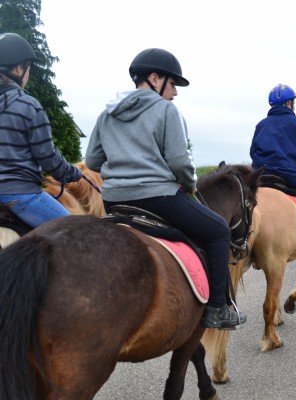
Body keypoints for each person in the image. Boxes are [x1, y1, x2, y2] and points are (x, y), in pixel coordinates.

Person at [85, 48, 245, 330]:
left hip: (114, 201)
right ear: (154, 78)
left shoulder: (106, 114)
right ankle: (217, 308)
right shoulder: (165, 110)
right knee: (219, 230)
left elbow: (93, 161)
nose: (175, 92)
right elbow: (180, 162)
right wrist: (191, 183)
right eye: (172, 84)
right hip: (159, 198)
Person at [0, 33, 82, 228]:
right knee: (77, 232)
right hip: (20, 196)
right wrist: (72, 173)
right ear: (19, 68)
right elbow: (47, 157)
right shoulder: (28, 105)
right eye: (29, 68)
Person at [250, 84, 296, 255]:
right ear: (288, 104)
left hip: (261, 175)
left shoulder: (261, 125)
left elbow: (252, 152)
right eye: (293, 102)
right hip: (290, 175)